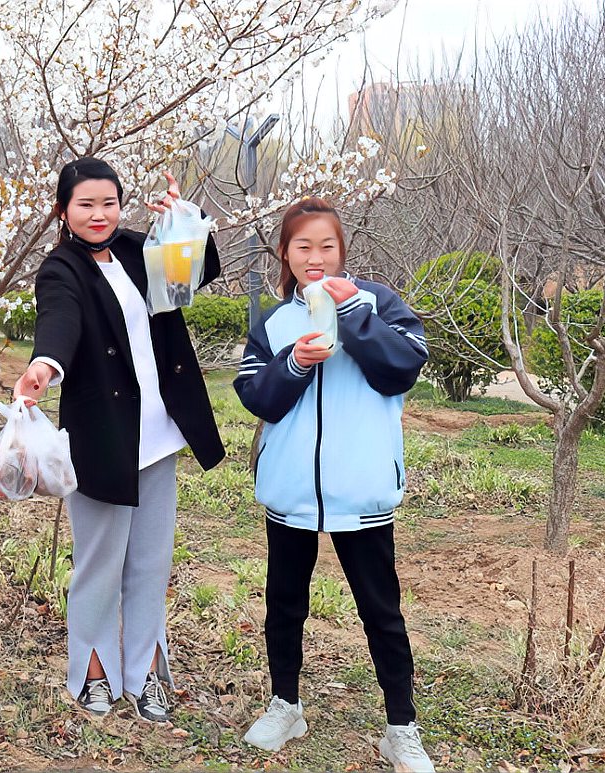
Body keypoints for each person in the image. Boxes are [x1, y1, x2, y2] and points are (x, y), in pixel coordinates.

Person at [12, 157, 225, 723]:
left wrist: (186, 220)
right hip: (104, 437)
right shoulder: (61, 270)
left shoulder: (137, 248)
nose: (99, 214)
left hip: (158, 432)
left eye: (108, 202)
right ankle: (92, 672)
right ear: (63, 211)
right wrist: (44, 366)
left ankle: (148, 672)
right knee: (100, 562)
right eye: (85, 204)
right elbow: (61, 323)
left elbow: (192, 276)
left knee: (152, 562)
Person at [232, 197, 435, 771]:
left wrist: (353, 318)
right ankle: (285, 704)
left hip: (360, 488)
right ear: (286, 254)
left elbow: (403, 366)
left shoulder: (378, 302)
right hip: (292, 490)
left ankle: (400, 727)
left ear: (342, 250)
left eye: (326, 245)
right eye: (303, 246)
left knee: (381, 611)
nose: (315, 256)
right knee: (284, 605)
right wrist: (294, 362)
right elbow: (257, 399)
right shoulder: (275, 323)